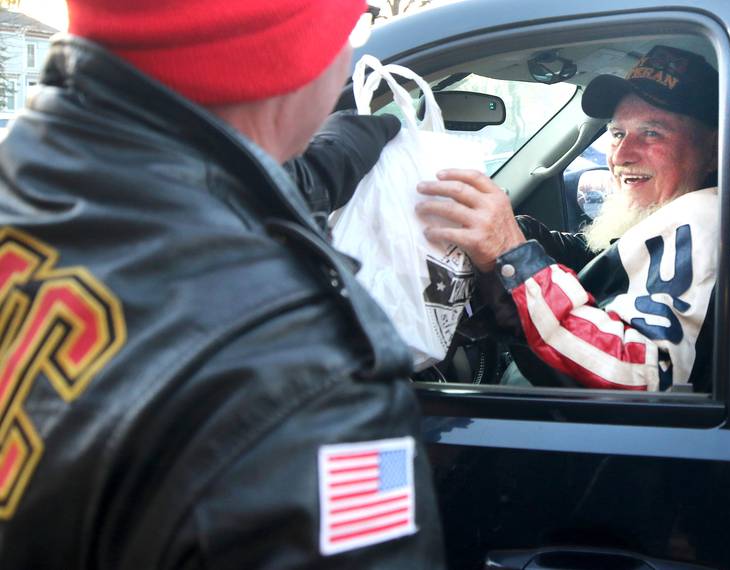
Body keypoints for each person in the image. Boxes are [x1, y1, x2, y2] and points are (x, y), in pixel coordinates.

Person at [0, 1, 446, 568]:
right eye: (352, 23)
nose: (352, 52)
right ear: (286, 53)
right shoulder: (307, 373)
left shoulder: (31, 180)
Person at [417, 45, 718, 392]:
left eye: (652, 133)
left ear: (712, 150)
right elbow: (602, 265)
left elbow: (641, 376)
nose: (621, 154)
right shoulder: (670, 217)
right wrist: (522, 234)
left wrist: (512, 255)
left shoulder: (696, 220)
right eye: (618, 133)